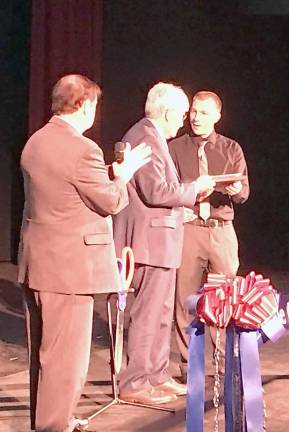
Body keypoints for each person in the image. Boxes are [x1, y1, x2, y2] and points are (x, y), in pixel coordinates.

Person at [18, 74, 151, 432]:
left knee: (44, 356)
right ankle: (54, 426)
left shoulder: (36, 141)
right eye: (94, 104)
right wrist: (122, 176)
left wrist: (108, 174)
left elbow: (68, 191)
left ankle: (51, 420)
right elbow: (109, 201)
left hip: (38, 263)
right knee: (65, 359)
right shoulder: (82, 149)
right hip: (69, 269)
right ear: (84, 105)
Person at [112, 83, 215, 405]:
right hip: (148, 240)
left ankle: (156, 374)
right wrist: (193, 190)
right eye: (183, 114)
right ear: (169, 112)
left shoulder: (152, 137)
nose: (183, 120)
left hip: (161, 239)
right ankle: (135, 382)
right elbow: (156, 190)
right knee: (147, 313)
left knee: (161, 313)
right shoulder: (143, 136)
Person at [169, 90, 250, 378]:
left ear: (217, 116)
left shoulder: (230, 149)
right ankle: (189, 365)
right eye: (193, 111)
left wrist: (237, 191)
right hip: (190, 230)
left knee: (223, 298)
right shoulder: (175, 148)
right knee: (184, 299)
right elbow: (167, 189)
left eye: (203, 113)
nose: (196, 117)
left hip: (220, 230)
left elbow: (243, 193)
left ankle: (225, 362)